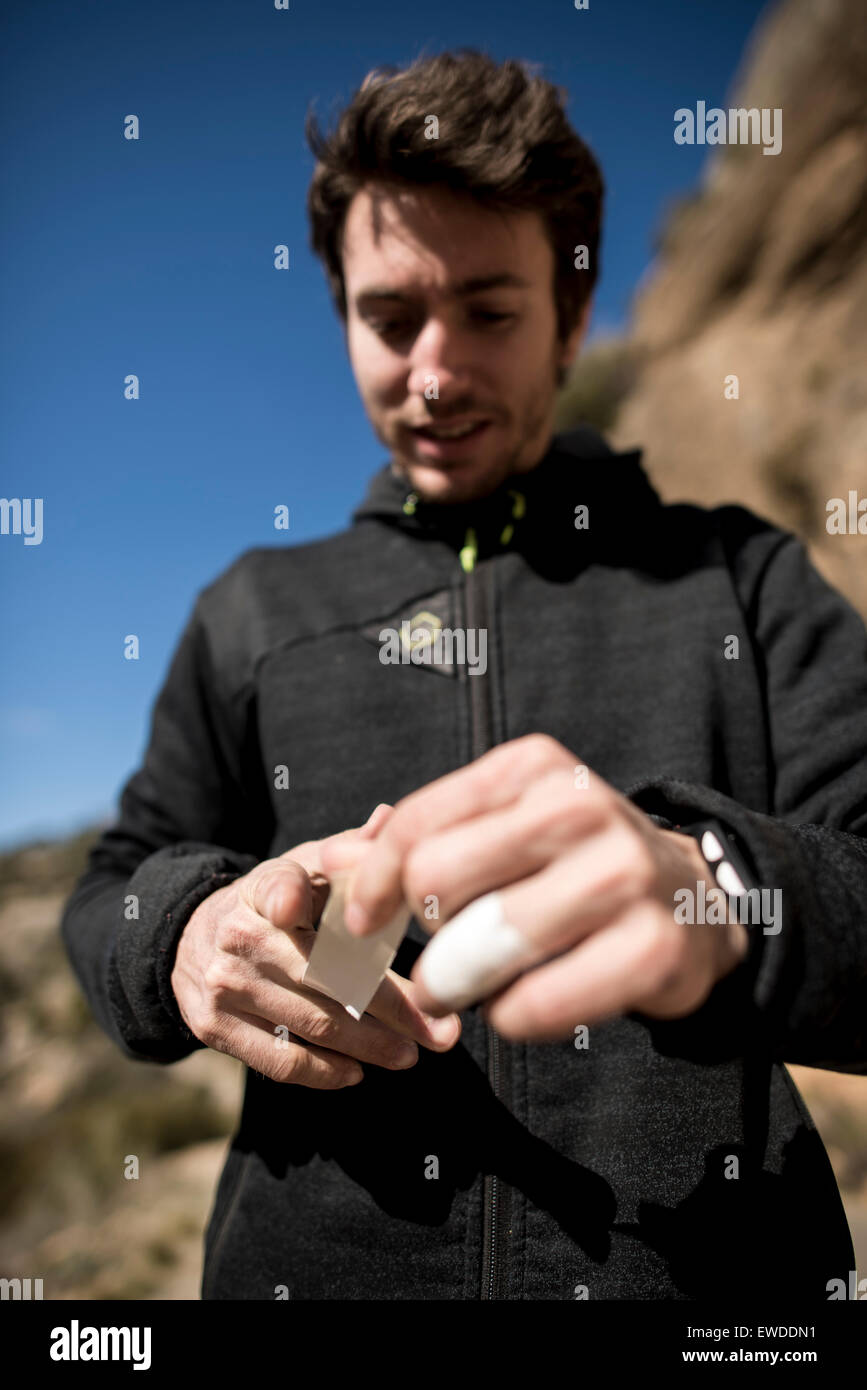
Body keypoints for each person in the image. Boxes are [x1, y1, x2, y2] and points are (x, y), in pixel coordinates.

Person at [61, 48, 867, 1301]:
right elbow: (112, 880)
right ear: (339, 312)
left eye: (490, 311)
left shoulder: (743, 580)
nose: (433, 372)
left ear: (573, 318)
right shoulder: (251, 610)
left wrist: (716, 890)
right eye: (391, 318)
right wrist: (184, 935)